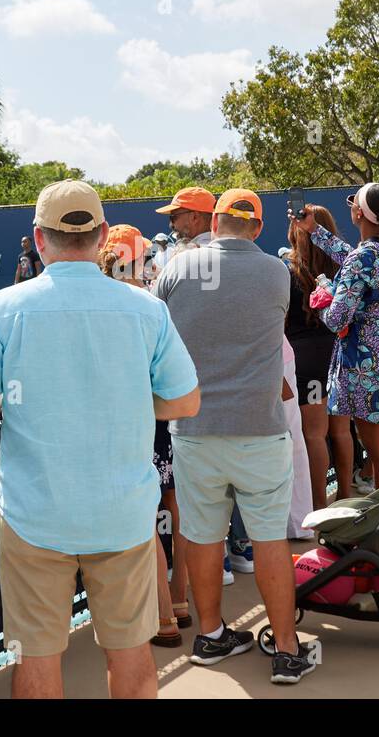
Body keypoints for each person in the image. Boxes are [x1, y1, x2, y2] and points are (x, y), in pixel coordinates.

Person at [0, 180, 200, 699]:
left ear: (38, 239)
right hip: (122, 515)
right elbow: (184, 402)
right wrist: (127, 401)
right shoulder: (145, 310)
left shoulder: (4, 308)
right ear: (102, 235)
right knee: (131, 655)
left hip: (32, 516)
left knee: (37, 661)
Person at [156, 188, 315, 684]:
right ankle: (286, 649)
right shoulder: (276, 271)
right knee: (268, 537)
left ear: (216, 220)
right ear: (259, 227)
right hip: (259, 429)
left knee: (202, 535)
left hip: (194, 428)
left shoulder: (176, 268)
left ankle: (210, 634)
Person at [97, 224, 192, 648]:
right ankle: (180, 601)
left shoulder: (109, 305)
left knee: (145, 516)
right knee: (174, 504)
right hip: (164, 417)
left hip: (131, 423)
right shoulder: (154, 304)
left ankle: (164, 617)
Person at [294, 182, 379, 490]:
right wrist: (315, 231)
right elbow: (354, 258)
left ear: (359, 213)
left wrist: (323, 296)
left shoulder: (366, 255)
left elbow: (336, 320)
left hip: (367, 363)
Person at [285, 203, 347, 508]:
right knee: (342, 431)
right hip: (340, 353)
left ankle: (319, 505)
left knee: (314, 435)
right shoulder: (343, 268)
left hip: (305, 361)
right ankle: (347, 496)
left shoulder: (289, 271)